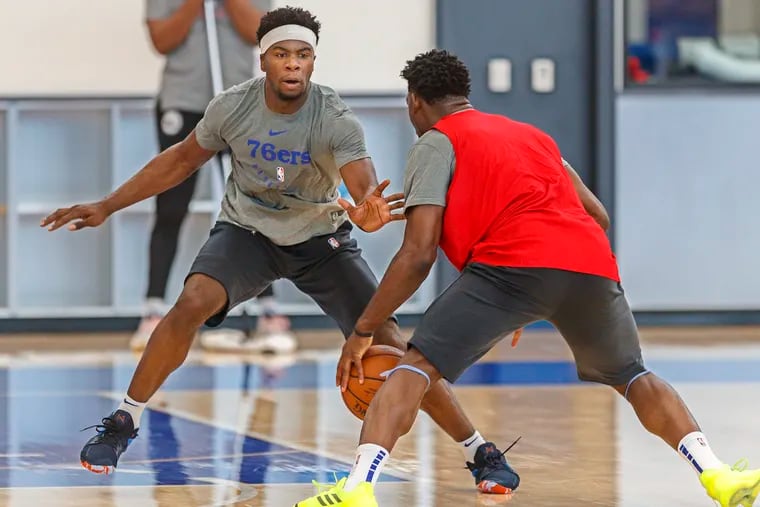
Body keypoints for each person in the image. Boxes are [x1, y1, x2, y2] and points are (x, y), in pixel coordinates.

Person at [41, 8, 518, 493]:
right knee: (192, 301)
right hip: (247, 233)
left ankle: (478, 451)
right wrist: (107, 205)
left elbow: (363, 185)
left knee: (392, 343)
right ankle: (123, 421)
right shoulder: (233, 106)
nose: (293, 64)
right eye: (283, 54)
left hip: (320, 240)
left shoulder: (334, 116)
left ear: (313, 62)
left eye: (303, 55)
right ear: (263, 59)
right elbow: (180, 160)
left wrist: (367, 210)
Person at [294, 49, 760, 507]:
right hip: (590, 266)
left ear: (414, 101)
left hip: (509, 270)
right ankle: (717, 474)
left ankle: (357, 489)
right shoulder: (533, 136)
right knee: (634, 375)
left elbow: (418, 254)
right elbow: (597, 216)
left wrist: (364, 329)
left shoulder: (435, 142)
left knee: (413, 368)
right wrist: (531, 295)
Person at [137, 0, 295, 354]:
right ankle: (153, 309)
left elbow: (259, 34)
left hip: (239, 102)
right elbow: (162, 40)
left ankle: (267, 308)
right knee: (171, 205)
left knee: (256, 204)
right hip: (183, 101)